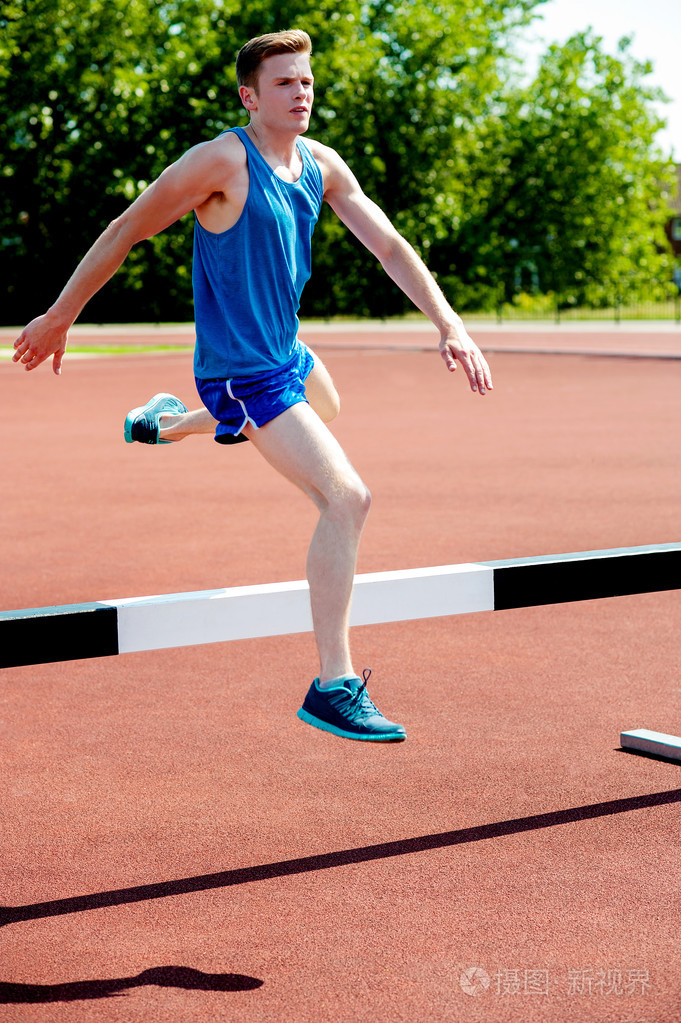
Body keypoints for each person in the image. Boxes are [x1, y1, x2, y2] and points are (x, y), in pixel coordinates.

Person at [13, 29, 493, 743]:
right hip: (242, 368)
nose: (300, 93)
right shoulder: (219, 163)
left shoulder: (320, 166)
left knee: (326, 407)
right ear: (249, 95)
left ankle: (168, 421)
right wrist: (60, 315)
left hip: (288, 355)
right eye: (284, 84)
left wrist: (448, 322)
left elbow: (388, 244)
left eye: (305, 82)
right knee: (346, 498)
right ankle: (332, 683)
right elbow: (124, 230)